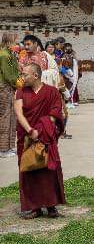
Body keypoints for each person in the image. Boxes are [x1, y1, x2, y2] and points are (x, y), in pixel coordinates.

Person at [15, 63, 66, 219]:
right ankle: (34, 207)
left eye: (25, 74)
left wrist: (40, 130)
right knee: (29, 169)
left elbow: (55, 113)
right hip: (27, 137)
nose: (22, 77)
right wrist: (30, 131)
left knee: (48, 170)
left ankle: (51, 206)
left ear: (35, 75)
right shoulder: (20, 92)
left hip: (44, 136)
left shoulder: (52, 92)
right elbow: (19, 113)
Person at [0, 33, 20, 156]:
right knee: (5, 117)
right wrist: (18, 83)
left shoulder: (9, 54)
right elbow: (8, 75)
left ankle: (10, 146)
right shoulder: (4, 55)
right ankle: (3, 149)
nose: (16, 45)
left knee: (12, 116)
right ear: (8, 42)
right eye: (14, 42)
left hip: (10, 87)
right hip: (4, 87)